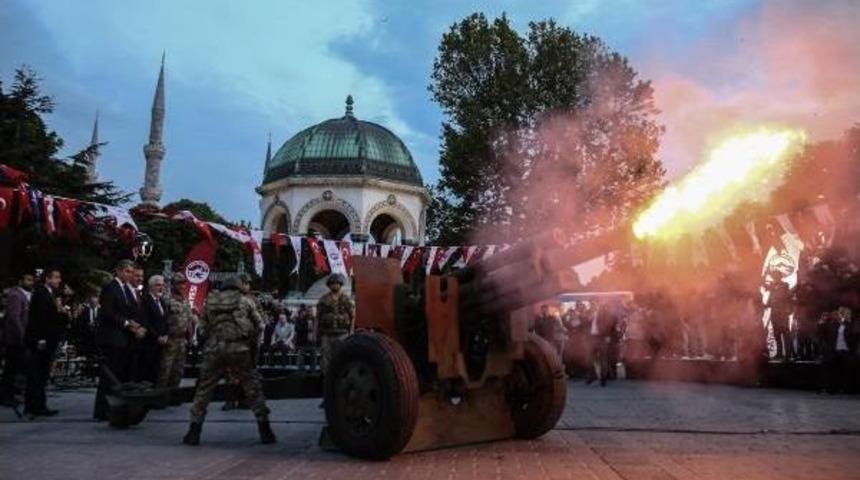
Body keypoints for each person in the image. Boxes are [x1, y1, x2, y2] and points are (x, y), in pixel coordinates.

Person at [183, 275, 274, 445]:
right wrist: (252, 344)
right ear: (238, 287)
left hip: (214, 350)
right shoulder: (245, 300)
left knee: (204, 389)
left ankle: (194, 431)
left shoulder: (210, 301)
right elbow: (260, 325)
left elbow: (202, 328)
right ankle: (265, 430)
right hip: (239, 349)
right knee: (252, 387)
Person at [93, 260, 145, 421]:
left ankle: (114, 407)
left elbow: (132, 310)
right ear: (119, 271)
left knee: (118, 376)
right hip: (111, 338)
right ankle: (101, 410)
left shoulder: (126, 290)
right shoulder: (110, 288)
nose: (130, 275)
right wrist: (127, 323)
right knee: (109, 376)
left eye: (131, 272)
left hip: (124, 339)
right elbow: (108, 313)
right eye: (127, 272)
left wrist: (135, 324)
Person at [23, 268, 70, 416]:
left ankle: (36, 404)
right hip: (41, 340)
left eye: (59, 277)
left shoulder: (49, 294)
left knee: (40, 374)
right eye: (56, 277)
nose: (59, 280)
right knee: (38, 373)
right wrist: (41, 339)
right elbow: (40, 319)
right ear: (47, 279)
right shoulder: (42, 293)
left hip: (46, 339)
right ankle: (36, 406)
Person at [158, 273, 193, 401]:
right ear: (173, 284)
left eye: (184, 283)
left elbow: (189, 320)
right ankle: (160, 397)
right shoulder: (166, 299)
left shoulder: (185, 300)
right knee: (165, 370)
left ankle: (173, 396)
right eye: (179, 283)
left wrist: (190, 337)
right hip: (170, 339)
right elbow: (161, 319)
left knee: (178, 370)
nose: (182, 285)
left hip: (182, 340)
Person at [2, 273, 34, 405]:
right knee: (12, 368)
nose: (31, 282)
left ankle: (10, 394)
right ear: (20, 281)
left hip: (18, 338)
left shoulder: (22, 295)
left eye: (32, 280)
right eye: (28, 280)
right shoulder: (16, 295)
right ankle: (7, 396)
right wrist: (22, 336)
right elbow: (14, 318)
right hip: (15, 339)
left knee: (14, 368)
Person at [315, 273, 354, 376]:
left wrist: (351, 332)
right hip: (327, 334)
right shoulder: (323, 299)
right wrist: (316, 333)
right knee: (325, 357)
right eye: (332, 283)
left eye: (337, 283)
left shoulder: (346, 299)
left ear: (340, 285)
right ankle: (326, 378)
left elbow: (352, 316)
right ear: (329, 285)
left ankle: (340, 377)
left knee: (341, 356)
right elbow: (318, 317)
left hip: (342, 333)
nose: (335, 285)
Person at [138, 275, 168, 384]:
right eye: (158, 285)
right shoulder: (145, 301)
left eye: (162, 285)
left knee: (157, 373)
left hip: (161, 344)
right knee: (147, 374)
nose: (161, 288)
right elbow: (146, 322)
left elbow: (165, 321)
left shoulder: (163, 302)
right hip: (149, 343)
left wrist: (165, 335)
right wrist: (157, 337)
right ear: (151, 286)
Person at [821, 306, 858, 394]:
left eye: (843, 313)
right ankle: (832, 389)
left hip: (847, 351)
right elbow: (826, 334)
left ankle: (848, 390)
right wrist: (821, 323)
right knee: (833, 369)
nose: (840, 314)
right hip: (836, 350)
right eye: (840, 313)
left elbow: (854, 337)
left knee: (849, 371)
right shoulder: (835, 324)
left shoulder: (851, 324)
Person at [766, 273, 794, 360]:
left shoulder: (785, 286)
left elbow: (789, 299)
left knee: (785, 334)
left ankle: (788, 354)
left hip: (782, 313)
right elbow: (771, 299)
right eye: (774, 277)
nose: (774, 278)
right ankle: (779, 353)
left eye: (776, 276)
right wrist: (768, 303)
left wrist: (789, 310)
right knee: (777, 334)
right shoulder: (773, 287)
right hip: (775, 313)